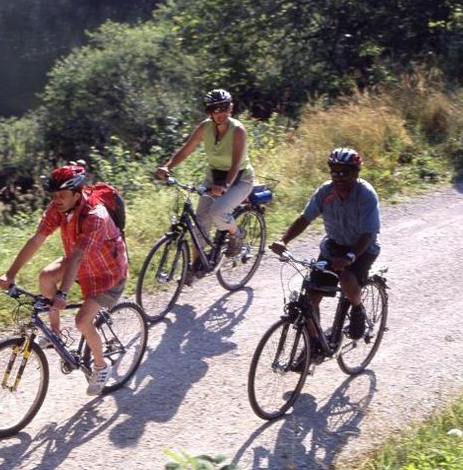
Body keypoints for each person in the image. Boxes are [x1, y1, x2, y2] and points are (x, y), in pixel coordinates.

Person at [0, 162, 128, 396]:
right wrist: (11, 273)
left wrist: (63, 294)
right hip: (82, 263)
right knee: (46, 278)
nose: (56, 199)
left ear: (77, 194)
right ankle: (55, 335)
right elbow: (37, 239)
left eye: (62, 195)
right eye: (54, 194)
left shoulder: (95, 215)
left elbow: (78, 256)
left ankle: (100, 367)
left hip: (108, 273)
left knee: (81, 322)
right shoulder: (59, 207)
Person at [269, 147, 381, 349]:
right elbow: (305, 218)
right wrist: (284, 240)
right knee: (311, 296)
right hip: (333, 247)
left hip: (362, 249)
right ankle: (316, 343)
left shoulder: (366, 196)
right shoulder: (325, 192)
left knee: (347, 277)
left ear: (356, 173)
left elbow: (368, 234)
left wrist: (350, 256)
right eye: (334, 172)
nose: (339, 177)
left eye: (344, 172)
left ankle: (357, 310)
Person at [155, 89, 256, 281]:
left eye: (225, 108)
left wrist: (225, 186)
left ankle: (237, 234)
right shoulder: (205, 128)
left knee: (218, 211)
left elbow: (235, 164)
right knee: (199, 223)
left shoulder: (238, 130)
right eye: (215, 109)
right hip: (214, 177)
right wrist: (167, 167)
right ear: (209, 112)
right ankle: (196, 267)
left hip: (239, 178)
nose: (221, 113)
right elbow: (186, 151)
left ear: (231, 107)